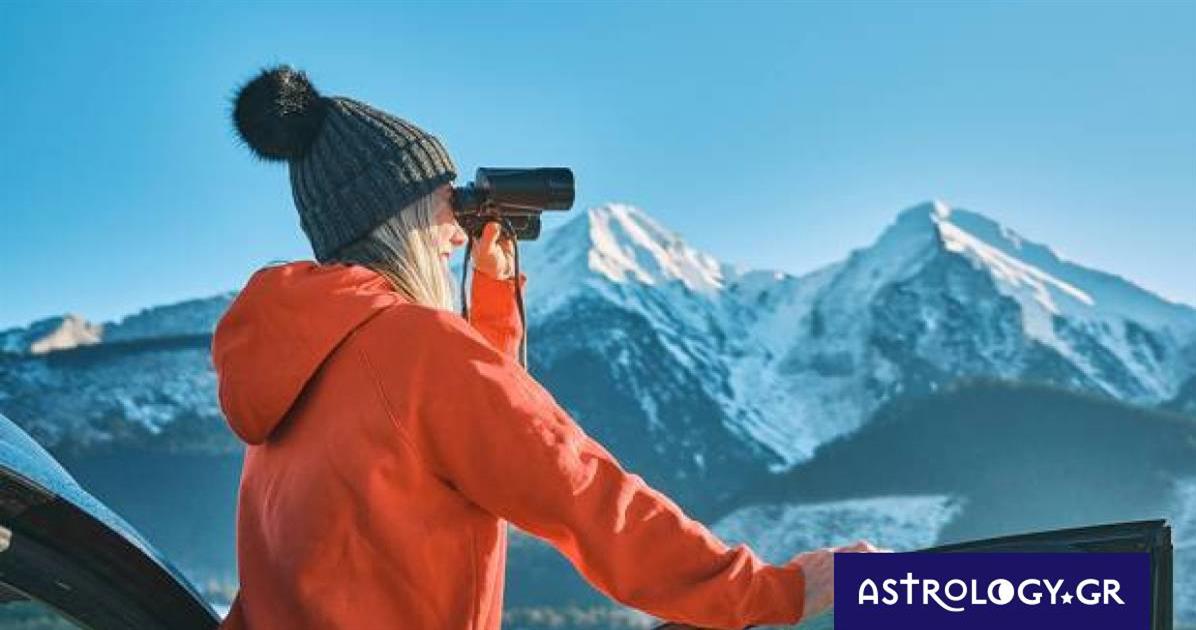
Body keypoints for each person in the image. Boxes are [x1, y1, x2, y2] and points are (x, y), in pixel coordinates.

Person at [214, 65, 880, 630]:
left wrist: (494, 302)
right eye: (448, 206)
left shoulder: (297, 367)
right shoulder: (414, 349)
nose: (458, 228)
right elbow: (580, 490)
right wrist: (774, 592)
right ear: (405, 215)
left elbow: (459, 440)